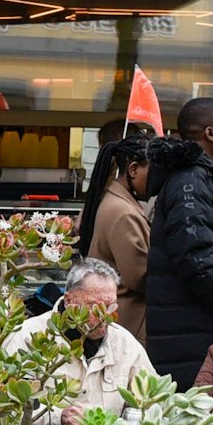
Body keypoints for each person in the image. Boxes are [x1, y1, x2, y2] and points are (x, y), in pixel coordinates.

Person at [142, 134, 213, 389]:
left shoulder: (204, 179)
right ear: (210, 132)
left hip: (199, 331)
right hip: (194, 337)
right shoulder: (190, 182)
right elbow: (196, 261)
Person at [3, 258, 157, 425]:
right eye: (94, 307)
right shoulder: (26, 337)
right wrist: (59, 418)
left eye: (111, 306)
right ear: (69, 301)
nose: (105, 316)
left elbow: (155, 401)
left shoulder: (124, 343)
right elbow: (5, 412)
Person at [74, 137, 151, 343]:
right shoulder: (123, 212)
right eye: (152, 171)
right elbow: (140, 277)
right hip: (127, 320)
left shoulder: (116, 202)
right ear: (133, 169)